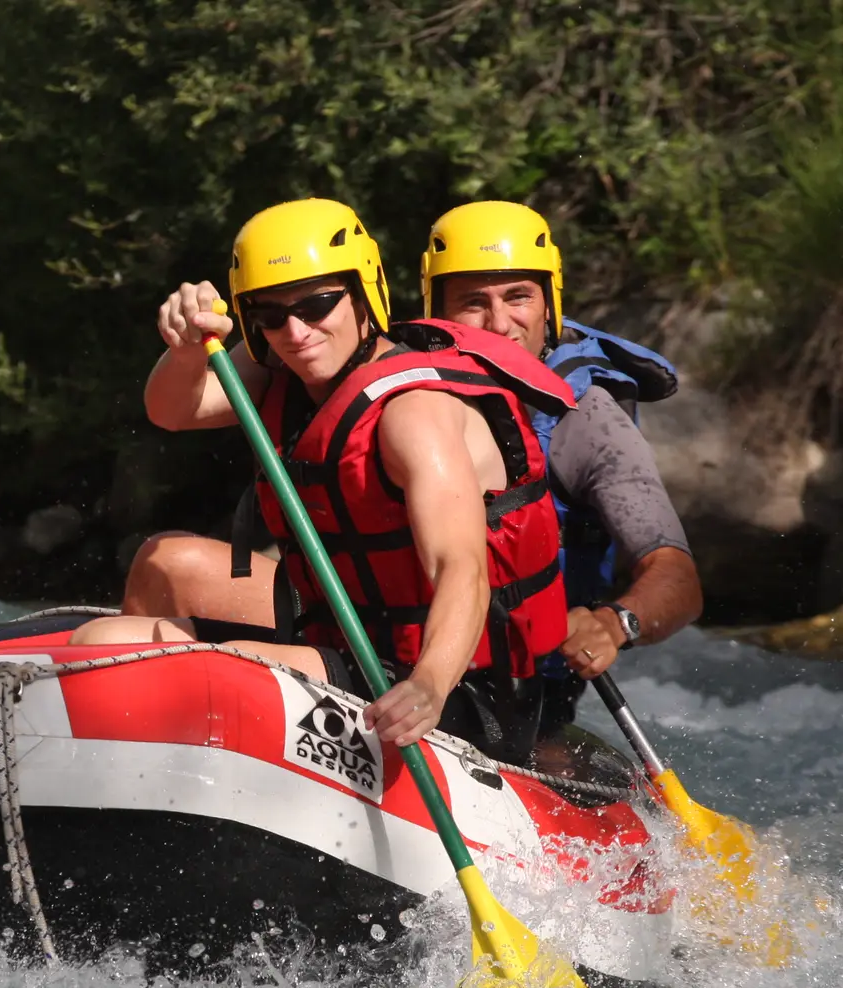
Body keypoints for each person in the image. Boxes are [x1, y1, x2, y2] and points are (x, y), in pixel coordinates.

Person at [116, 201, 701, 741]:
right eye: (472, 302)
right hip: (358, 620)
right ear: (432, 307)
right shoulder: (315, 361)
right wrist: (189, 346)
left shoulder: (579, 419)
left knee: (165, 668)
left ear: (550, 301)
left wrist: (615, 623)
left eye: (518, 297)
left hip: (497, 660)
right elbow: (172, 408)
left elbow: (670, 578)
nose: (497, 323)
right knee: (159, 568)